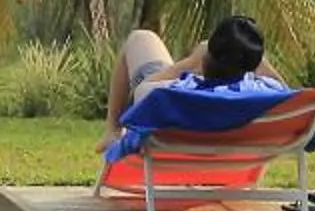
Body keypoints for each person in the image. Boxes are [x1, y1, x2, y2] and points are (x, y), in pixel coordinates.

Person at [102, 13, 279, 147]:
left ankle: (113, 130)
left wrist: (190, 63)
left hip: (174, 156)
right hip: (235, 163)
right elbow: (287, 92)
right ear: (252, 64)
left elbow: (141, 94)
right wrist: (260, 63)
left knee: (140, 37)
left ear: (207, 57)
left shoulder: (173, 93)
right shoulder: (265, 94)